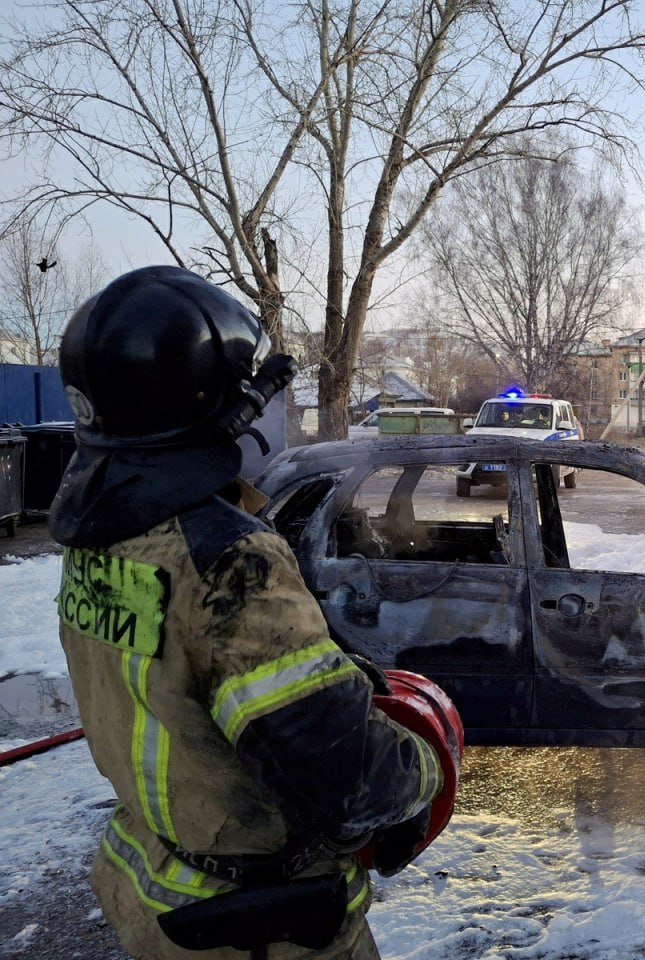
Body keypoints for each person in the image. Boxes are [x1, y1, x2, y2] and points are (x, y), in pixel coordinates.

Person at [51, 266, 447, 959]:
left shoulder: (100, 536)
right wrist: (429, 764)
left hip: (160, 895)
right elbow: (352, 784)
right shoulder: (229, 563)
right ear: (209, 405)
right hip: (263, 930)